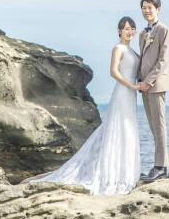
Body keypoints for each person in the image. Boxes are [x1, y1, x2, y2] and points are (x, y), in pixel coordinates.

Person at [27, 16, 141, 195]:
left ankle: (126, 172)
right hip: (123, 92)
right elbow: (113, 71)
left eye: (132, 28)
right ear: (119, 31)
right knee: (118, 127)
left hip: (131, 93)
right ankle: (112, 175)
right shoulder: (118, 48)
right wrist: (131, 85)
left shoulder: (133, 50)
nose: (129, 31)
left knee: (128, 128)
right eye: (126, 28)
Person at [136, 0, 169, 182]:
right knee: (153, 127)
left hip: (156, 84)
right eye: (144, 7)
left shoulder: (163, 30)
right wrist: (139, 81)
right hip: (144, 85)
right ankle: (163, 167)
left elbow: (164, 60)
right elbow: (143, 59)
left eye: (150, 7)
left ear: (158, 9)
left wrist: (149, 81)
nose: (146, 11)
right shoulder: (143, 33)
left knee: (159, 125)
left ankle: (160, 167)